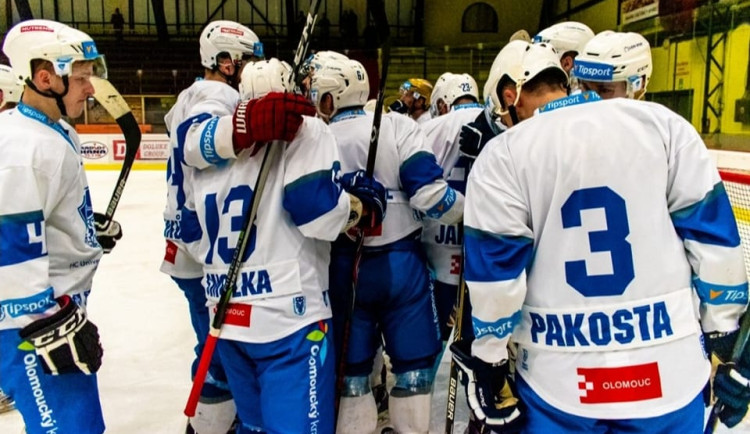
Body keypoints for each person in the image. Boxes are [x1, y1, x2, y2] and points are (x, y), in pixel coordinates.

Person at [452, 33, 750, 433]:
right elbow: (715, 248)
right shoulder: (668, 128)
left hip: (557, 379)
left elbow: (497, 280)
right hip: (668, 375)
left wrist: (488, 357)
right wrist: (724, 336)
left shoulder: (506, 152)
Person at [180, 57, 386, 433]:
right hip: (289, 322)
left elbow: (191, 234)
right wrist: (357, 207)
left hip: (226, 319)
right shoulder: (308, 129)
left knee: (255, 427)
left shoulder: (208, 146)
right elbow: (317, 213)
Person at [309, 58, 464, 434]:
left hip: (343, 270)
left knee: (353, 377)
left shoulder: (314, 135)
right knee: (413, 372)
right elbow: (431, 197)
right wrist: (474, 209)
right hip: (402, 267)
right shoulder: (398, 125)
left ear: (330, 97)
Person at [0, 19, 122, 434]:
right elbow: (10, 248)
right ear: (44, 76)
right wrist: (48, 324)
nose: (91, 87)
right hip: (31, 329)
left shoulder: (53, 131)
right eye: (83, 77)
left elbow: (41, 217)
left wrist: (82, 233)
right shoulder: (22, 148)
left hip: (52, 315)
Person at [161, 19, 266, 434]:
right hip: (203, 244)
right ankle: (209, 425)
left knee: (212, 342)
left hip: (186, 243)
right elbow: (196, 142)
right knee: (221, 349)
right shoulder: (215, 96)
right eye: (247, 61)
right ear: (225, 62)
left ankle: (210, 419)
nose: (253, 70)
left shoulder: (190, 93)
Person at [572, 30, 651, 100]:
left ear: (639, 86)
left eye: (605, 90)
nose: (591, 100)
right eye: (586, 88)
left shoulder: (656, 115)